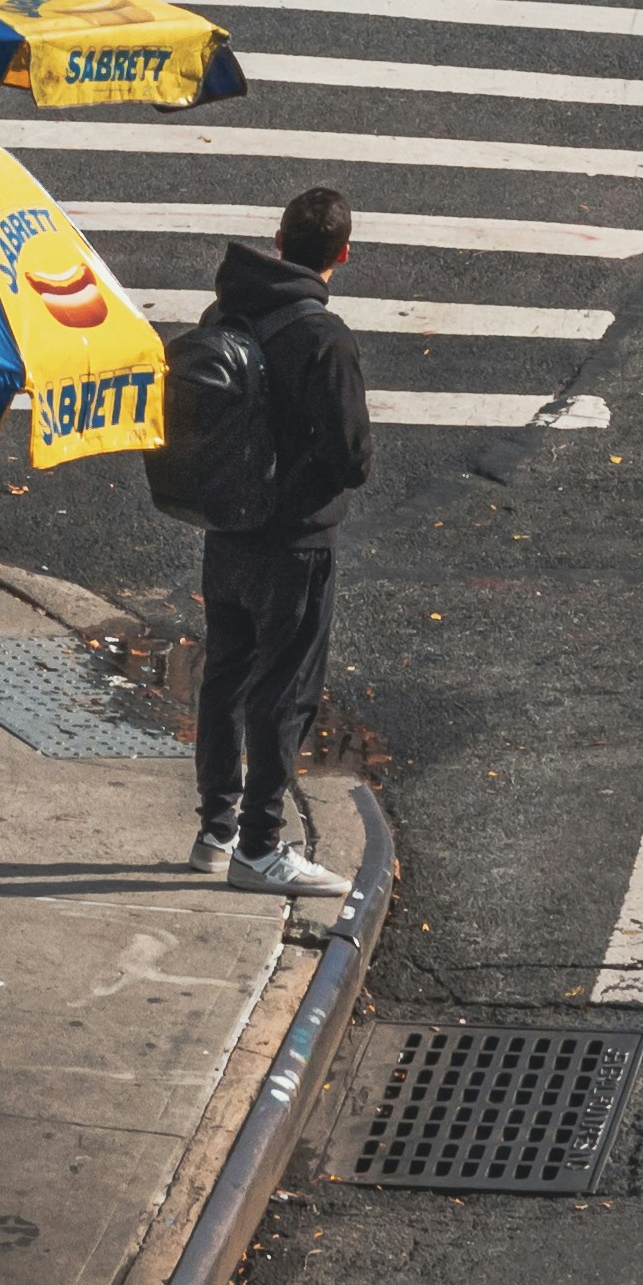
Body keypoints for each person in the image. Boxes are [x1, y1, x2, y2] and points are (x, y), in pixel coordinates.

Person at [190, 186, 373, 898]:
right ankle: (262, 847)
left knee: (225, 676)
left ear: (276, 240)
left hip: (226, 528)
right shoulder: (323, 340)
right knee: (281, 690)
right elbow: (351, 457)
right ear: (342, 254)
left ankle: (216, 829)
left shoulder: (223, 312)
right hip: (294, 543)